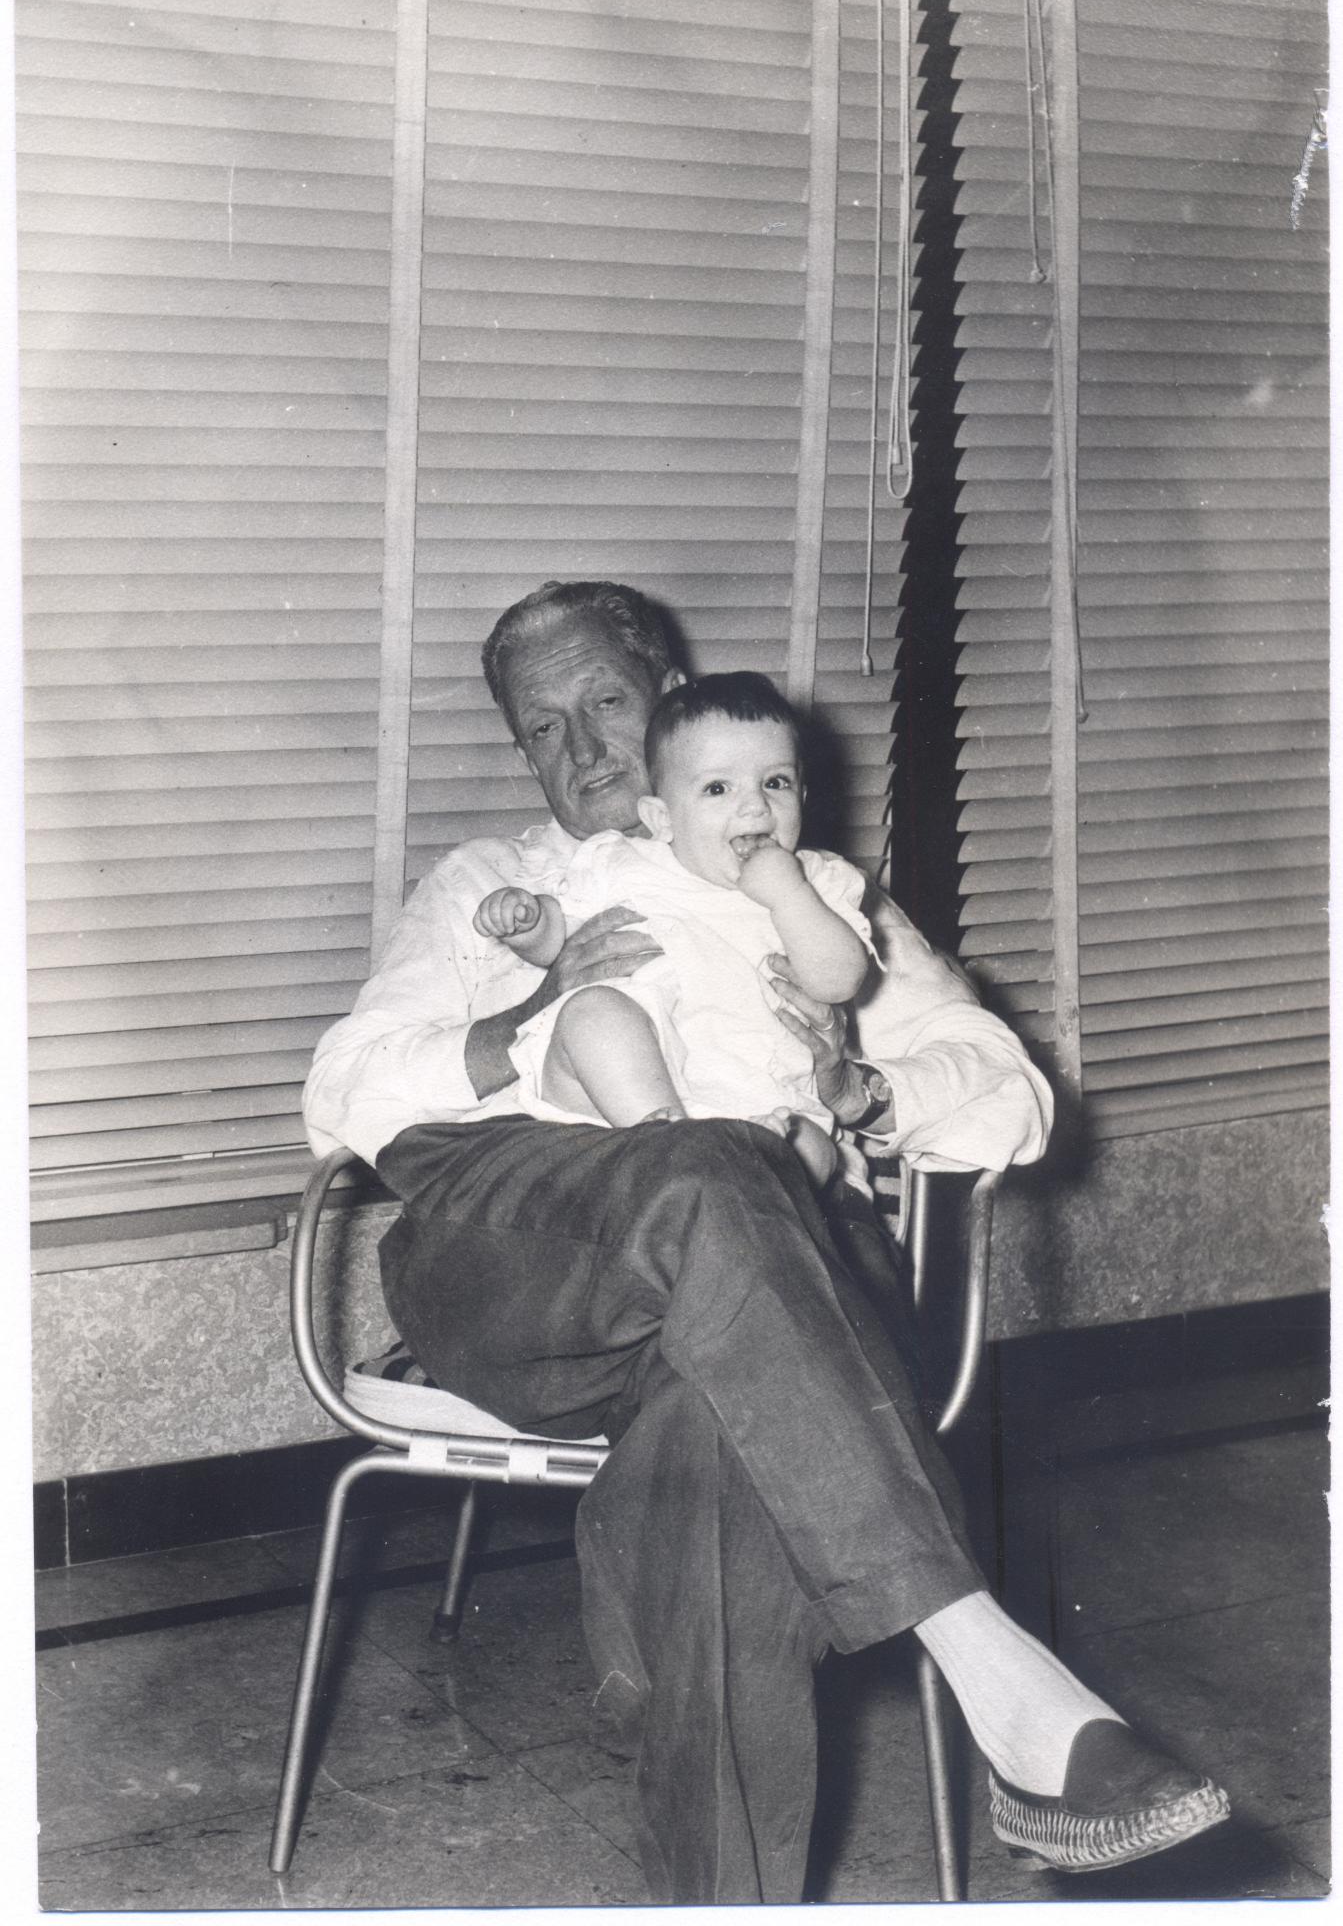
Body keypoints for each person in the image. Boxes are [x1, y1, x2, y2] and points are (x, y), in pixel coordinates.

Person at [303, 578, 1228, 1902]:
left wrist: (866, 1091)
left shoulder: (799, 895)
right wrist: (521, 1017)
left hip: (759, 1280)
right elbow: (338, 1091)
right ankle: (999, 1676)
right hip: (519, 1245)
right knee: (715, 1176)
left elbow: (1005, 1092)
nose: (580, 747)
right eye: (540, 728)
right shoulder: (500, 884)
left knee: (722, 1439)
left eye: (603, 701)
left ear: (671, 696)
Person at [474, 671, 874, 1187]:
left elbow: (838, 981)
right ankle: (668, 1144)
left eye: (775, 782)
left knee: (811, 1149)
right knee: (592, 1012)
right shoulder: (624, 863)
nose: (755, 805)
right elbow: (558, 939)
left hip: (760, 1104)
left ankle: (716, 1165)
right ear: (661, 819)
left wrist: (789, 894)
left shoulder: (820, 882)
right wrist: (527, 923)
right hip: (623, 1103)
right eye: (717, 788)